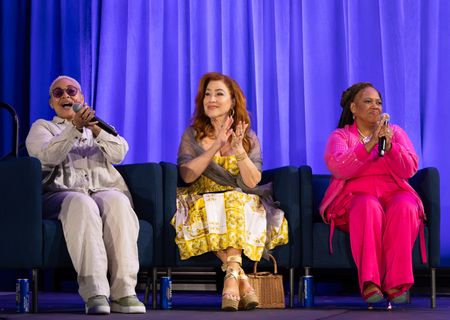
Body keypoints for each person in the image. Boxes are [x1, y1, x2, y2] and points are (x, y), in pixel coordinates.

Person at [25, 75, 146, 315]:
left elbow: (120, 152)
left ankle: (124, 293)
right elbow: (46, 157)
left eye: (72, 91)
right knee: (82, 203)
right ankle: (95, 292)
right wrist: (73, 128)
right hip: (62, 195)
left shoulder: (97, 127)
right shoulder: (43, 127)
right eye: (58, 93)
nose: (66, 96)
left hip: (102, 191)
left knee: (119, 201)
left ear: (81, 98)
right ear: (51, 103)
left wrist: (96, 130)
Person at [171, 72, 289, 311]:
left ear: (233, 101)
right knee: (216, 205)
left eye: (219, 93)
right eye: (207, 94)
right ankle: (239, 280)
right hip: (201, 200)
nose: (211, 99)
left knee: (234, 200)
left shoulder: (248, 137)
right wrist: (215, 144)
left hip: (241, 201)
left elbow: (253, 181)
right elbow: (187, 175)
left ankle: (232, 278)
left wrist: (238, 151)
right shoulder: (192, 134)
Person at [320, 82, 425, 304]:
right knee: (368, 206)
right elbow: (340, 168)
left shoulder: (395, 133)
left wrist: (390, 147)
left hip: (393, 193)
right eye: (368, 101)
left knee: (406, 206)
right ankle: (370, 282)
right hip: (354, 200)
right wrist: (369, 145)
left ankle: (397, 282)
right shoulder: (340, 137)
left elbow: (410, 168)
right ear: (353, 108)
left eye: (378, 102)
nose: (375, 106)